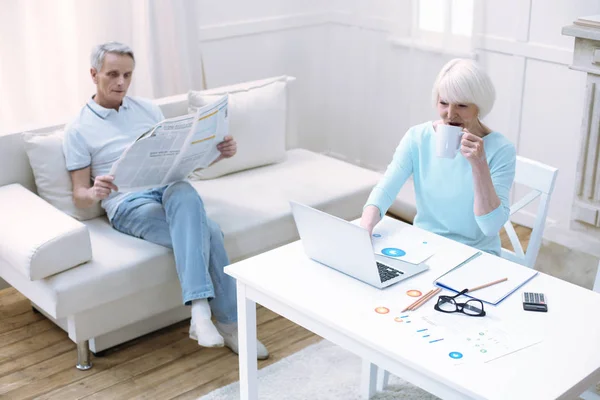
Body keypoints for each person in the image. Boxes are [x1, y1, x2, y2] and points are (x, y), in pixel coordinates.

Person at [63, 41, 268, 359]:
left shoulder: (147, 109)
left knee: (183, 189)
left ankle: (201, 314)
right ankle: (225, 323)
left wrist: (217, 154)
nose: (121, 83)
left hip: (168, 190)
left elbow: (180, 162)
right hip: (129, 205)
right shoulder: (78, 129)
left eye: (128, 75)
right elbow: (79, 196)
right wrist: (95, 191)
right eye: (113, 74)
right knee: (210, 232)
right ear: (94, 74)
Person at [361, 58, 516, 256]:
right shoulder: (417, 138)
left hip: (476, 254)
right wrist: (365, 227)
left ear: (480, 106)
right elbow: (386, 189)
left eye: (461, 105)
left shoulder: (501, 149)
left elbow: (490, 228)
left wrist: (479, 165)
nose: (450, 114)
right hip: (425, 246)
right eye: (444, 103)